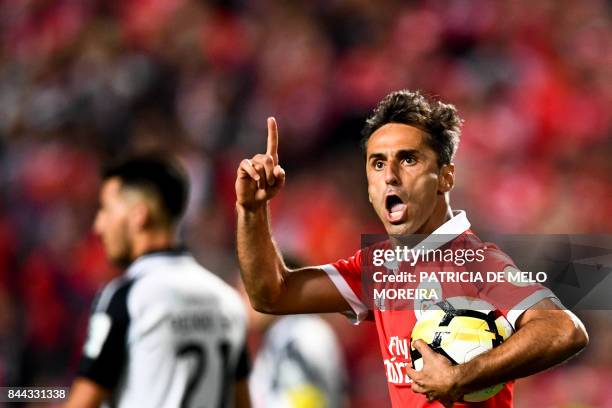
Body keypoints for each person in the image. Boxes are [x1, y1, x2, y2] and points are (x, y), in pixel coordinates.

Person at [235, 90, 589, 407]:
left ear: (446, 177)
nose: (390, 175)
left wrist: (461, 376)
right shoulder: (378, 266)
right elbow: (272, 295)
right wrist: (252, 211)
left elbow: (565, 330)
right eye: (377, 163)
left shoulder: (475, 262)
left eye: (408, 159)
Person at [66, 155, 251, 408]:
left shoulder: (128, 296)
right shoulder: (227, 300)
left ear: (139, 216)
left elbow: (83, 402)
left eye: (106, 209)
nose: (99, 224)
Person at [241, 258, 347, 408]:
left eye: (249, 290)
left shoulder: (299, 334)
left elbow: (307, 400)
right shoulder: (287, 331)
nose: (244, 299)